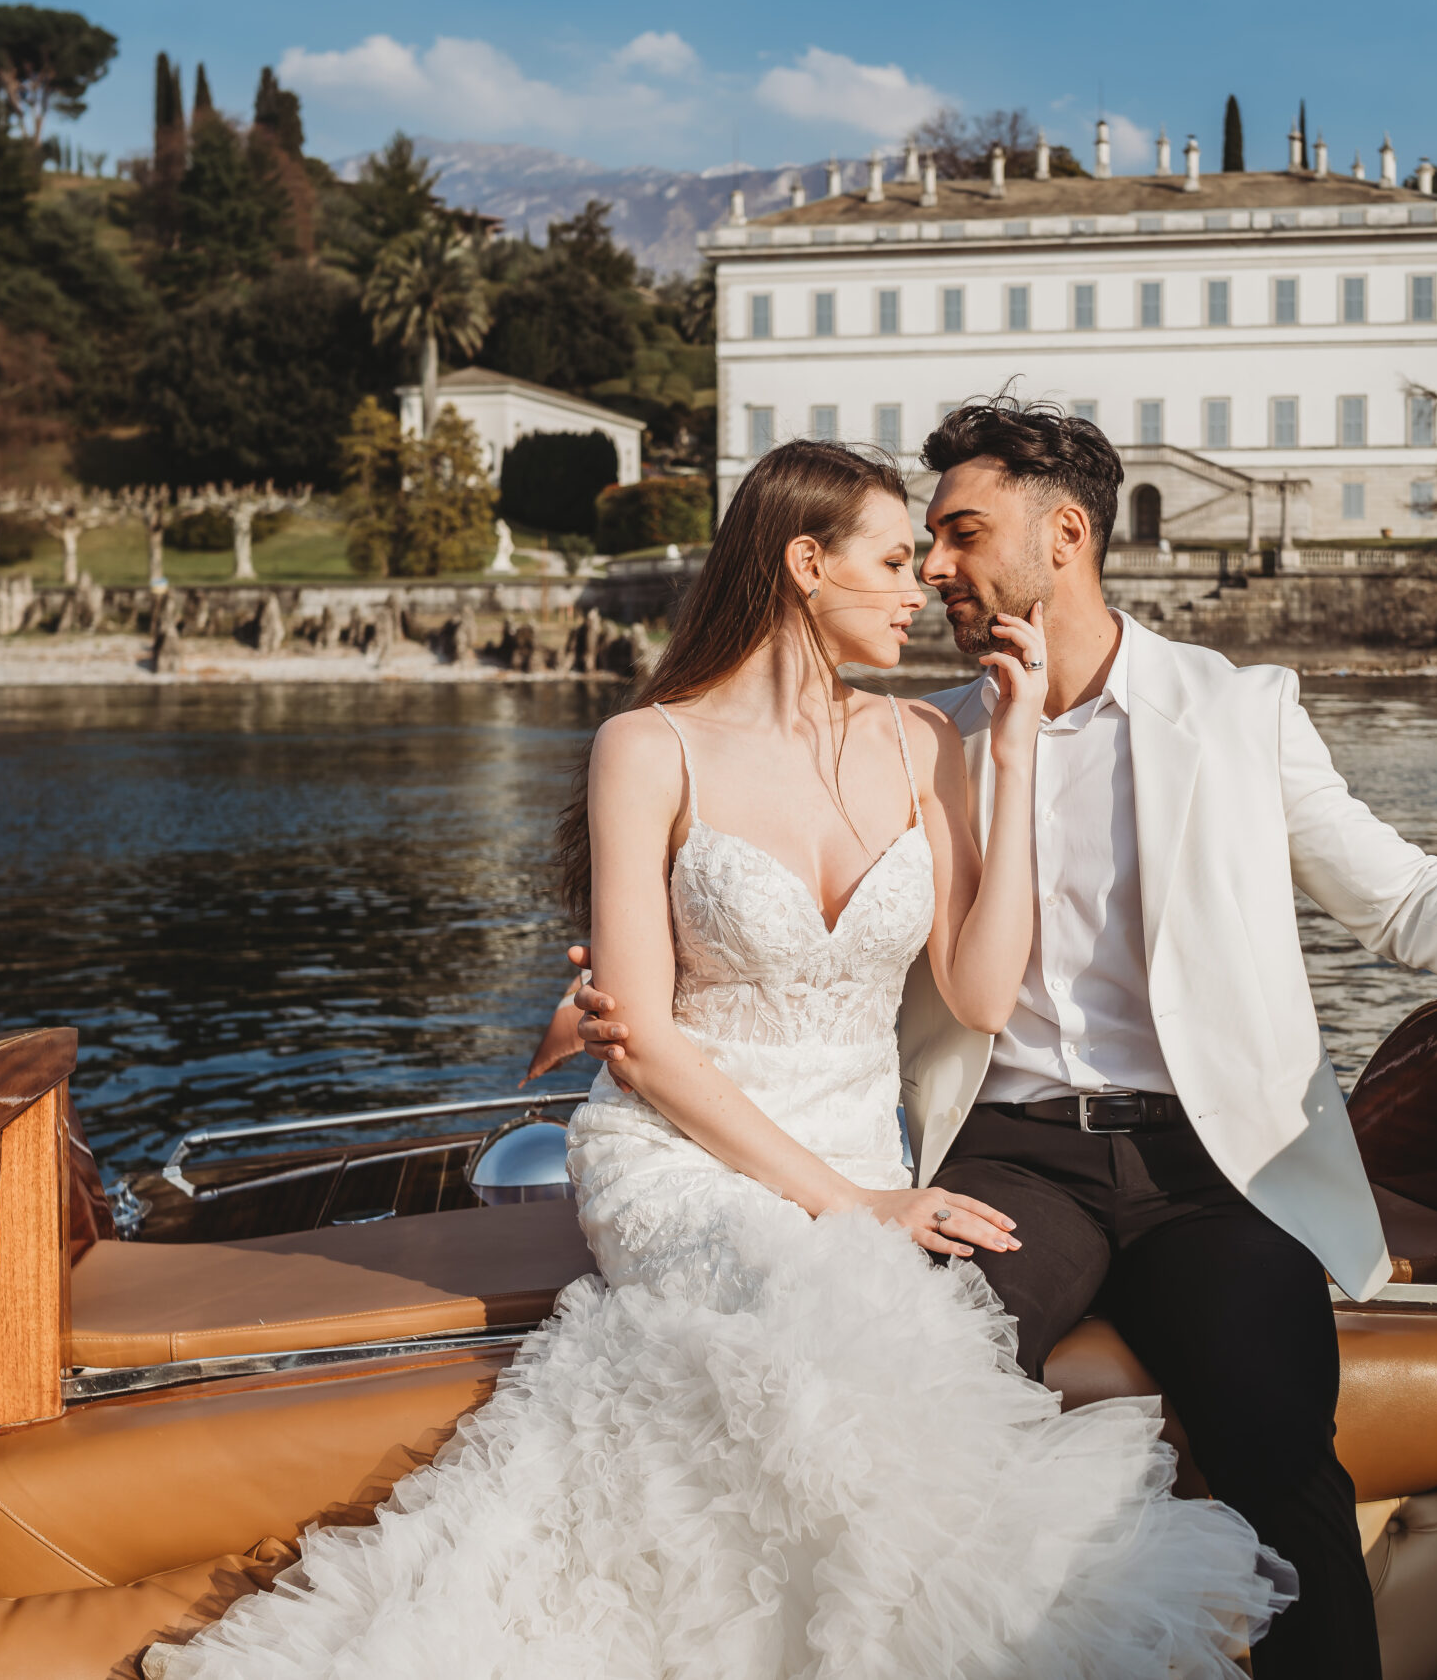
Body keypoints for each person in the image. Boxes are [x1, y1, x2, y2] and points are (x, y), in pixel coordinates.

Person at [564, 397, 1437, 1677]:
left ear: (1067, 536)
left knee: (1278, 1448)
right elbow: (761, 899)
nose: (934, 567)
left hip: (1213, 1168)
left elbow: (1404, 896)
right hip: (1008, 1153)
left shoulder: (1240, 714)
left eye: (961, 533)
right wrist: (617, 986)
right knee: (915, 1389)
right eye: (920, 543)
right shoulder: (933, 734)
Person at [146, 439, 1294, 1679]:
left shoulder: (929, 742)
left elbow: (976, 986)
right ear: (806, 564)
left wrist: (1012, 760)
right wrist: (853, 1202)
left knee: (876, 1345)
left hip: (856, 1139)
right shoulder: (648, 747)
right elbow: (640, 1043)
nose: (925, 590)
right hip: (683, 1152)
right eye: (897, 559)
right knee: (825, 1318)